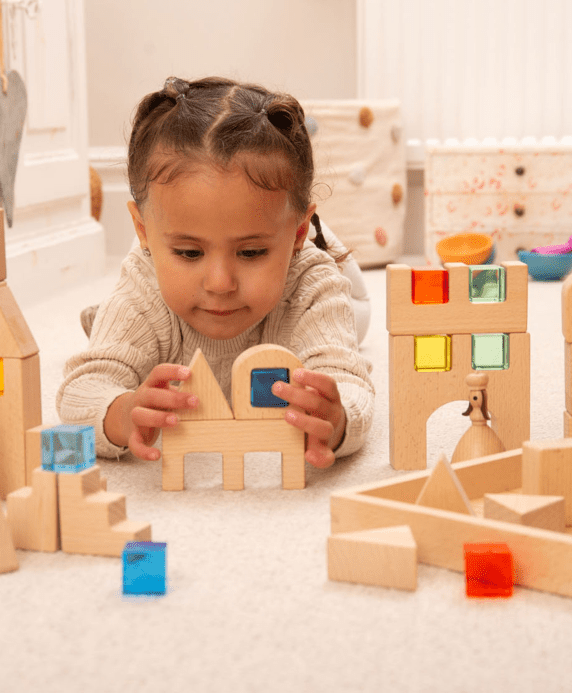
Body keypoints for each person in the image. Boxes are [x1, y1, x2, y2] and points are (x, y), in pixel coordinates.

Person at [57, 76, 374, 469]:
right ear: (143, 233)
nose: (220, 283)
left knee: (356, 313)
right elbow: (80, 392)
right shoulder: (144, 285)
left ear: (296, 235)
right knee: (121, 323)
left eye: (252, 251)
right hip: (155, 290)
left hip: (309, 278)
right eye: (189, 252)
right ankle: (104, 316)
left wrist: (338, 418)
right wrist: (122, 413)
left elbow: (350, 387)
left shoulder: (311, 285)